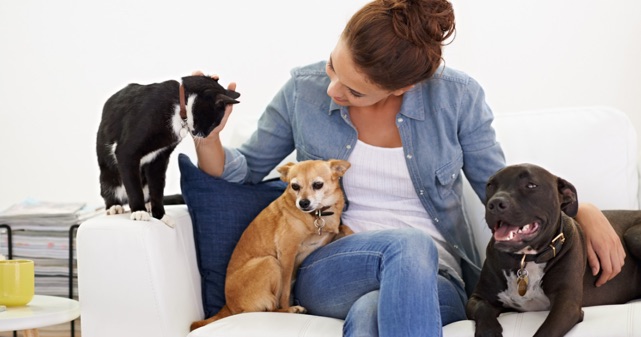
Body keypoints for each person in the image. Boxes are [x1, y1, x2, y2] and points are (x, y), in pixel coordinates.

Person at [194, 0, 625, 335]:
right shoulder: (302, 91)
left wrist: (580, 211)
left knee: (369, 314)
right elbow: (245, 170)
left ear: (402, 87)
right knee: (409, 244)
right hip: (333, 267)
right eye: (332, 65)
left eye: (353, 90)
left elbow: (501, 189)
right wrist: (207, 136)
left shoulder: (457, 98)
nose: (332, 88)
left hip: (438, 277)